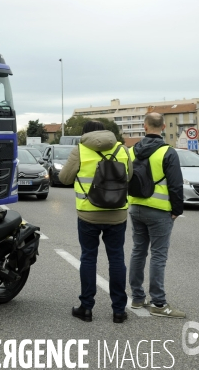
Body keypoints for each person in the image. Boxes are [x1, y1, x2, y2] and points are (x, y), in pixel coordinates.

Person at [59, 120, 132, 323]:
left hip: (88, 214)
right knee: (116, 257)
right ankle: (119, 310)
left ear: (85, 134)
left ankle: (86, 308)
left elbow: (64, 178)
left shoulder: (80, 150)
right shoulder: (123, 149)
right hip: (117, 213)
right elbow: (130, 176)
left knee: (89, 257)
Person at [128, 112, 185, 318]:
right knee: (158, 256)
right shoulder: (168, 152)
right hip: (160, 210)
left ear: (144, 126)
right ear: (162, 128)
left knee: (138, 251)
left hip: (135, 207)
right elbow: (176, 185)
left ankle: (136, 297)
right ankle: (158, 303)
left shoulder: (131, 150)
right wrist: (176, 210)